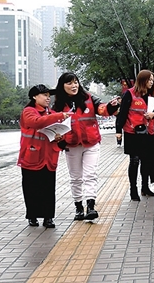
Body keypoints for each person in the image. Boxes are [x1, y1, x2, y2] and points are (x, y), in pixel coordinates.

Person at [51, 72, 120, 221]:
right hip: (71, 144)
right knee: (75, 178)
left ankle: (91, 206)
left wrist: (111, 106)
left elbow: (102, 109)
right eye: (69, 83)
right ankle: (78, 207)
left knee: (90, 174)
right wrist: (58, 138)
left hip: (91, 142)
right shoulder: (58, 105)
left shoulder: (89, 98)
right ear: (62, 86)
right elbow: (53, 125)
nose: (74, 85)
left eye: (75, 82)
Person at [18, 85, 71, 228]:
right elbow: (36, 122)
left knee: (48, 188)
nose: (48, 98)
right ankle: (32, 216)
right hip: (31, 156)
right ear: (34, 97)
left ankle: (48, 217)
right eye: (44, 95)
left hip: (48, 157)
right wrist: (59, 116)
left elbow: (58, 134)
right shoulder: (29, 111)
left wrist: (60, 137)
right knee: (31, 188)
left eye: (49, 95)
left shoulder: (51, 113)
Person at [115, 70, 154, 201]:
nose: (151, 82)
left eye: (152, 80)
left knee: (146, 161)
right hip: (132, 133)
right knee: (134, 161)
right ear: (142, 80)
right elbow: (122, 114)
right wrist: (118, 131)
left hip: (147, 132)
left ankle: (145, 187)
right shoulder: (130, 94)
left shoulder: (151, 95)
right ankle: (133, 189)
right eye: (149, 80)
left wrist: (153, 114)